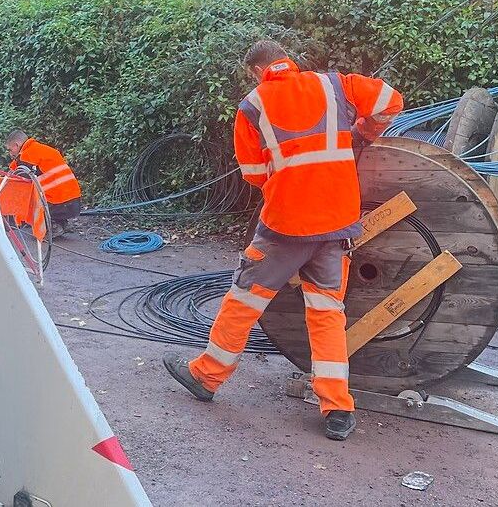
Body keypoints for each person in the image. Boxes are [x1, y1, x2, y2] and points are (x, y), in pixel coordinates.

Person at [162, 40, 402, 441]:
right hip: (338, 222)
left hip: (285, 227)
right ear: (287, 60)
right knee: (327, 313)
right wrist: (364, 132)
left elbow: (254, 174)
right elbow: (390, 101)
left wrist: (286, 176)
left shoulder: (252, 106)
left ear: (257, 71)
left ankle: (207, 376)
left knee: (244, 300)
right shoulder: (334, 84)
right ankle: (337, 408)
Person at [5, 130, 83, 236]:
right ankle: (59, 223)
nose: (10, 154)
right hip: (74, 200)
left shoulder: (27, 156)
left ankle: (53, 226)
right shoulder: (41, 149)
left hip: (59, 202)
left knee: (27, 202)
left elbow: (20, 185)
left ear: (16, 145)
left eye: (10, 150)